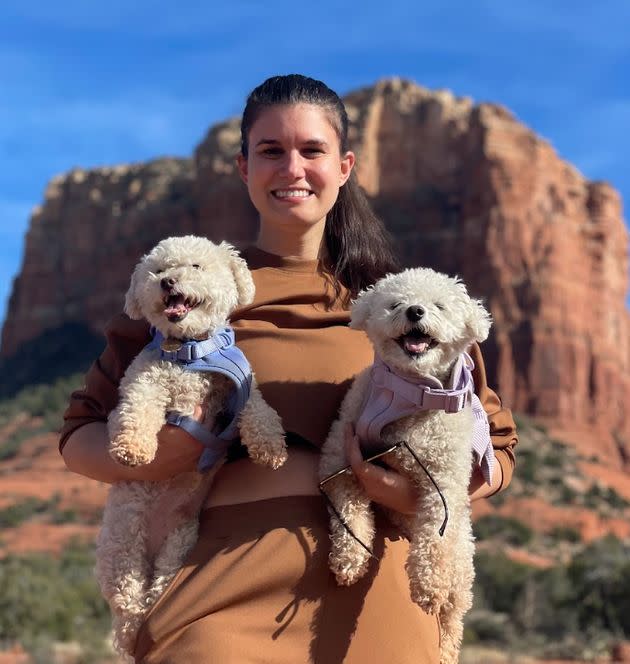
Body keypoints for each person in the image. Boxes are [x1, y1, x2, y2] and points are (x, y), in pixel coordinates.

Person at [60, 74, 518, 664]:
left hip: (374, 588)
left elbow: (497, 447)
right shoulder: (190, 292)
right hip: (214, 581)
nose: (292, 168)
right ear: (243, 167)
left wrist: (413, 493)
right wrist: (164, 453)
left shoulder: (400, 307)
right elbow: (79, 435)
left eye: (312, 150)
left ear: (345, 165)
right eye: (271, 151)